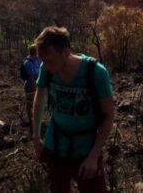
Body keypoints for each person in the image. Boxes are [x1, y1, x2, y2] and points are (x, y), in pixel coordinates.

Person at [31, 26, 115, 193]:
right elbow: (40, 99)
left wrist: (93, 156)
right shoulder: (47, 69)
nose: (46, 66)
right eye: (43, 61)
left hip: (86, 148)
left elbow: (109, 116)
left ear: (66, 52)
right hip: (55, 145)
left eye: (50, 60)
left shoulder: (95, 72)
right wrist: (36, 135)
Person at [23, 44, 41, 133]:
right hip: (30, 86)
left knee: (36, 104)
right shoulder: (28, 62)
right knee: (30, 104)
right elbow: (32, 75)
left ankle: (35, 122)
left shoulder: (37, 60)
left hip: (37, 84)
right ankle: (31, 122)